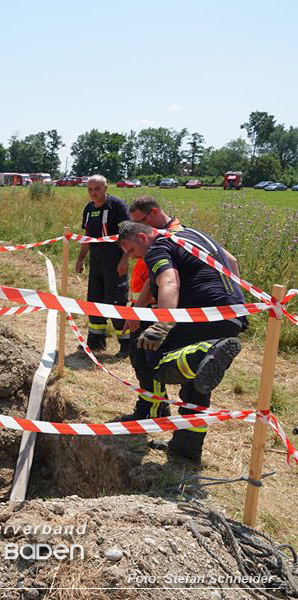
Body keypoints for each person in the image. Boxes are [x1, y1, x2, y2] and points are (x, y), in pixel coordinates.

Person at [117, 221, 245, 462]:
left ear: (143, 238)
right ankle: (187, 447)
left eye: (132, 251)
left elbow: (169, 282)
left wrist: (162, 324)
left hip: (203, 312)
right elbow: (233, 261)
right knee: (200, 379)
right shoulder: (193, 234)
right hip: (234, 312)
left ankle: (205, 351)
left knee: (155, 360)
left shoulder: (158, 248)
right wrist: (233, 304)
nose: (133, 258)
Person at [118, 197, 183, 422]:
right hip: (144, 306)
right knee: (140, 360)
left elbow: (160, 280)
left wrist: (139, 310)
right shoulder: (154, 238)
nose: (140, 228)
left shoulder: (172, 236)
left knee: (150, 361)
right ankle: (149, 406)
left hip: (156, 310)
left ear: (153, 213)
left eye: (141, 222)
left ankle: (154, 414)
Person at [75, 175, 132, 357]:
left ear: (106, 188)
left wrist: (125, 259)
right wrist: (80, 259)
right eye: (90, 190)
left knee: (116, 302)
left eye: (97, 189)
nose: (93, 193)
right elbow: (87, 237)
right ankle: (96, 343)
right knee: (94, 301)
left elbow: (130, 235)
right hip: (96, 262)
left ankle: (127, 345)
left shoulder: (117, 205)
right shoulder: (89, 209)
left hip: (115, 261)